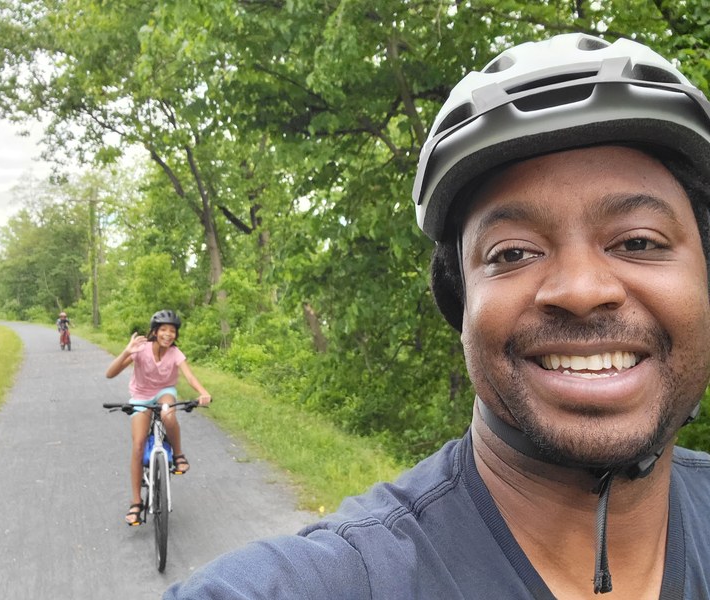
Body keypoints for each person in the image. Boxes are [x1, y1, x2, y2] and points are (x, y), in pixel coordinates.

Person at [162, 33, 710, 598]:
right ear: (461, 301)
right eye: (513, 253)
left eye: (639, 242)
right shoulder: (344, 579)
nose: (580, 289)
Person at [106, 309, 211, 526]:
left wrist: (203, 392)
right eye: (163, 329)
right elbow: (110, 373)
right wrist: (126, 352)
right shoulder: (140, 349)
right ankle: (136, 503)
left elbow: (189, 376)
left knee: (167, 415)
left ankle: (179, 455)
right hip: (141, 396)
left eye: (172, 331)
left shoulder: (175, 353)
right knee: (137, 445)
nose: (168, 334)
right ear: (155, 331)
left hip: (164, 392)